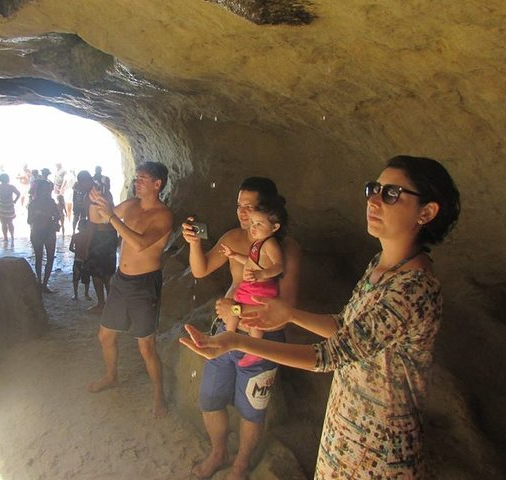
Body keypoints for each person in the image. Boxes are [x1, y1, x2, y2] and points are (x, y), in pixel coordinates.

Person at [181, 156, 461, 479]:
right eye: (374, 189)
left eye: (391, 193)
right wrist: (289, 313)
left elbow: (331, 354)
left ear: (426, 212)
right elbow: (344, 328)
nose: (373, 199)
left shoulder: (414, 289)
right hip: (344, 432)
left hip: (380, 451)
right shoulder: (380, 268)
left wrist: (237, 340)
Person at [180, 177, 301, 480]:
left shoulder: (285, 249)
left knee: (252, 408)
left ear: (268, 210)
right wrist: (195, 244)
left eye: (250, 207)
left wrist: (236, 309)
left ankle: (241, 463)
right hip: (225, 332)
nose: (243, 213)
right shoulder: (233, 238)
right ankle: (218, 452)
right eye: (239, 205)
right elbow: (200, 269)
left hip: (262, 335)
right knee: (210, 398)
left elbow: (286, 310)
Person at [87, 161, 174, 419]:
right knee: (105, 336)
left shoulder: (163, 215)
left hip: (144, 284)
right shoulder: (131, 205)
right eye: (136, 178)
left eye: (142, 179)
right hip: (122, 280)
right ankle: (111, 376)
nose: (136, 182)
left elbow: (139, 244)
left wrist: (112, 216)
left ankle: (159, 395)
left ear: (157, 185)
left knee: (146, 346)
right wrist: (96, 201)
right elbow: (97, 219)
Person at [220, 195, 288, 368]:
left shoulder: (270, 244)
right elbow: (251, 262)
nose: (253, 227)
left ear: (275, 227)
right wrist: (234, 255)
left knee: (255, 320)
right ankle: (228, 336)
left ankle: (254, 350)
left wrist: (262, 274)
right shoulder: (258, 243)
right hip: (250, 287)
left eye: (259, 224)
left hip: (261, 288)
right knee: (234, 309)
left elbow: (279, 266)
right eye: (252, 223)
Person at [86, 175, 118, 313]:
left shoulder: (101, 197)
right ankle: (106, 304)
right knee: (105, 272)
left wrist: (87, 243)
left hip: (101, 237)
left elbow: (93, 223)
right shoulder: (107, 196)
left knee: (100, 273)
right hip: (108, 236)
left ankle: (103, 304)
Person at [27, 180, 60, 293]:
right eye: (44, 190)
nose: (46, 192)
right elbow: (29, 220)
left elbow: (58, 216)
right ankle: (42, 283)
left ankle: (43, 283)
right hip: (41, 232)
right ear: (40, 190)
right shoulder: (36, 203)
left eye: (48, 189)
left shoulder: (46, 202)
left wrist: (46, 216)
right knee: (40, 258)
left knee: (46, 258)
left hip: (44, 232)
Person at [0, 173, 20, 244]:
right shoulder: (11, 187)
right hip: (9, 206)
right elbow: (18, 194)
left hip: (1, 206)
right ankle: (12, 236)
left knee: (3, 223)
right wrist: (15, 201)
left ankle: (5, 238)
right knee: (10, 222)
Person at [70, 219, 93, 300]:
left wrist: (76, 251)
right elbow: (91, 248)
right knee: (86, 279)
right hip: (86, 260)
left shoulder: (75, 236)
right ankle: (86, 294)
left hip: (77, 260)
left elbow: (70, 248)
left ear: (78, 227)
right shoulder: (89, 237)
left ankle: (75, 295)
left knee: (75, 278)